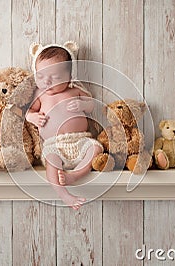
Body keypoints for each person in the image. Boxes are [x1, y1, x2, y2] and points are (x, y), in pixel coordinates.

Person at [26, 42, 103, 210]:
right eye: (41, 76)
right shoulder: (40, 95)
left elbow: (91, 105)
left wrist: (82, 105)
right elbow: (28, 112)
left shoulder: (75, 90)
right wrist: (33, 117)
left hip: (80, 140)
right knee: (51, 161)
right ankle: (64, 194)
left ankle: (75, 175)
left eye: (55, 77)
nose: (47, 82)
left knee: (96, 149)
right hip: (54, 145)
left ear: (69, 75)